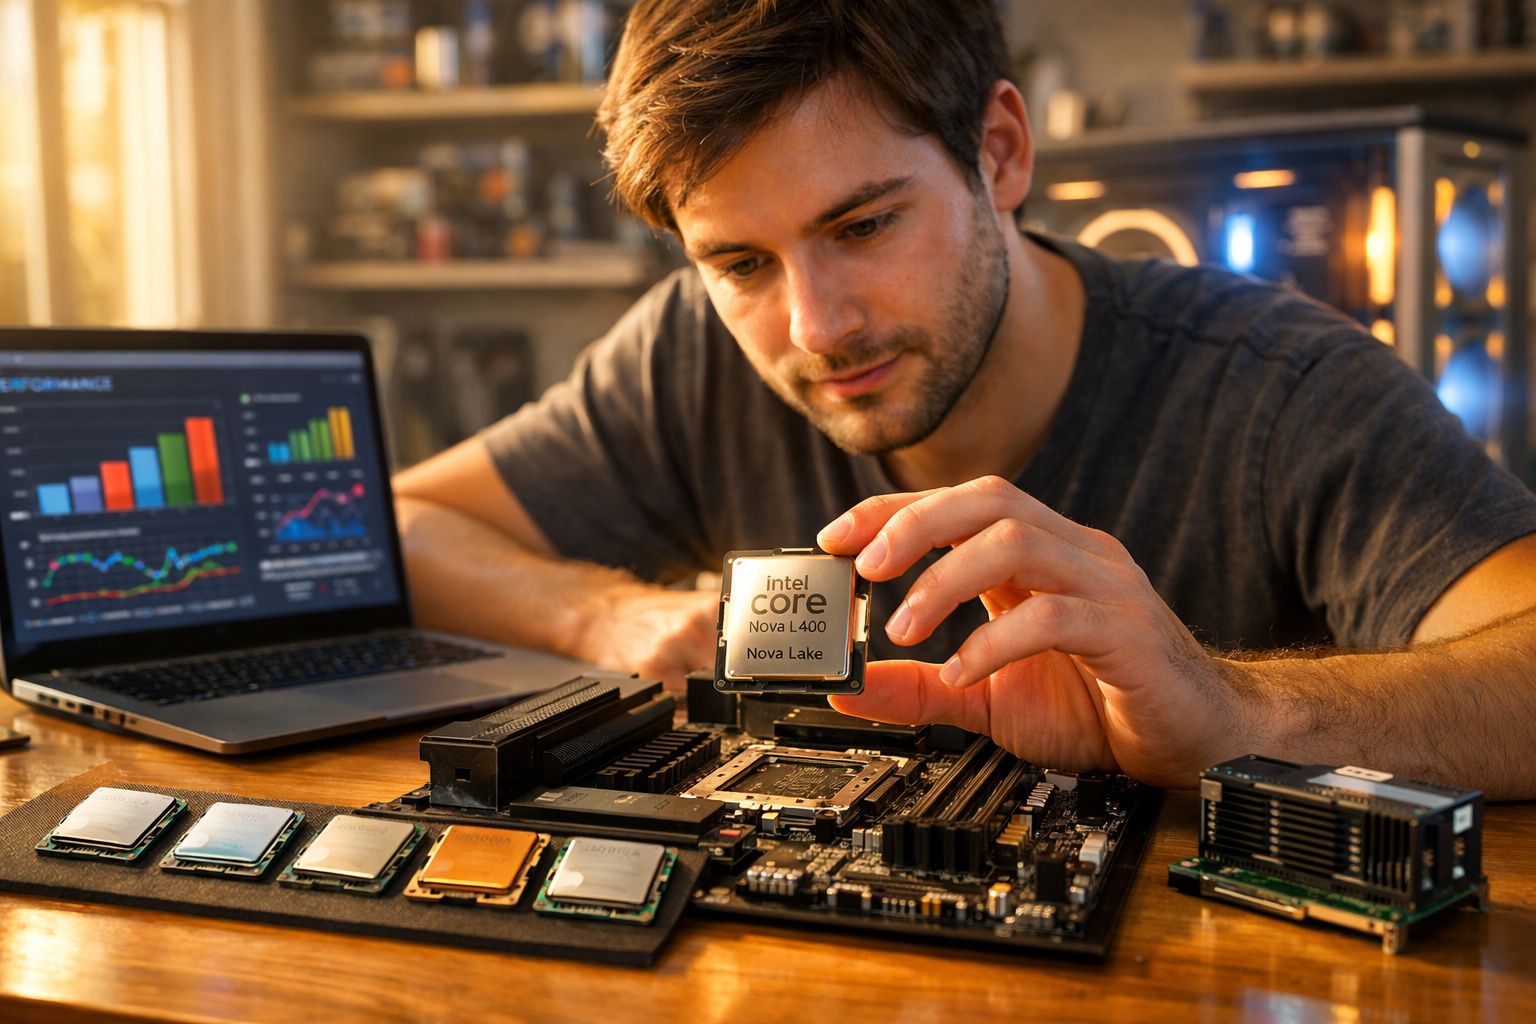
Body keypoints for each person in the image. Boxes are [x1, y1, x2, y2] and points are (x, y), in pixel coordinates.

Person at [394, 0, 1536, 798]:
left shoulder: (1278, 385)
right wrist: (604, 617)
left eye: (863, 226)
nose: (815, 328)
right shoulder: (686, 355)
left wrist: (1234, 710)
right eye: (740, 263)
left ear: (1000, 152)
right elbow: (399, 522)